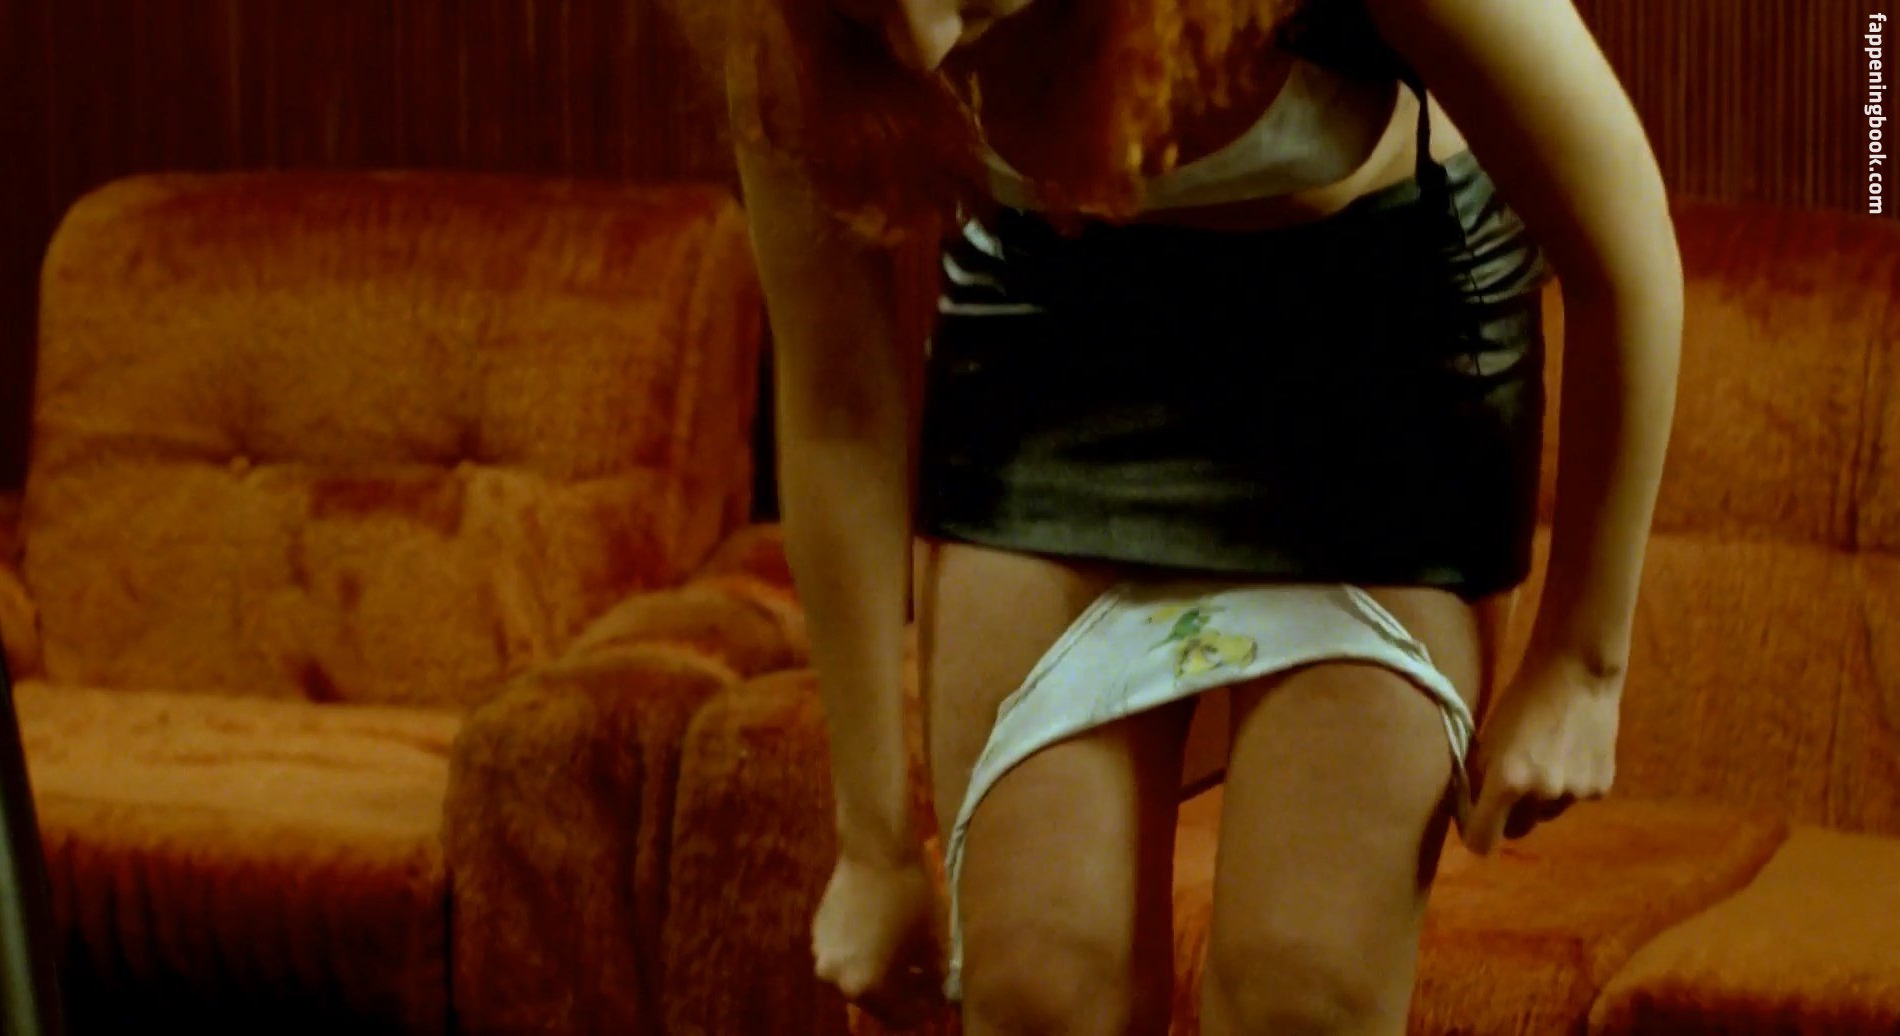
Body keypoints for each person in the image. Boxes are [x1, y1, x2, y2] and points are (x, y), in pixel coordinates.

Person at [668, 0, 1683, 1031]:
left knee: (1300, 992)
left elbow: (1625, 249)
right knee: (1040, 993)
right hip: (1050, 349)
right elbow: (839, 403)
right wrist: (873, 846)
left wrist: (1583, 663)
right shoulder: (789, 29)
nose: (926, 44)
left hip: (1377, 356)